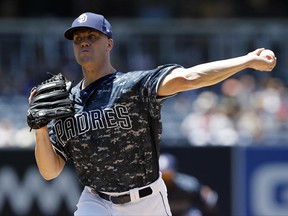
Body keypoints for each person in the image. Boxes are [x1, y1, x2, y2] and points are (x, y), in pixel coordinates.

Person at [28, 12, 276, 216]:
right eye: (78, 38)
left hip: (146, 201)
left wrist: (245, 61)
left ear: (109, 43)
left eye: (92, 36)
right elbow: (50, 171)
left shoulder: (133, 85)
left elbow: (187, 78)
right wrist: (40, 129)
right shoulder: (65, 103)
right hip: (96, 201)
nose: (84, 41)